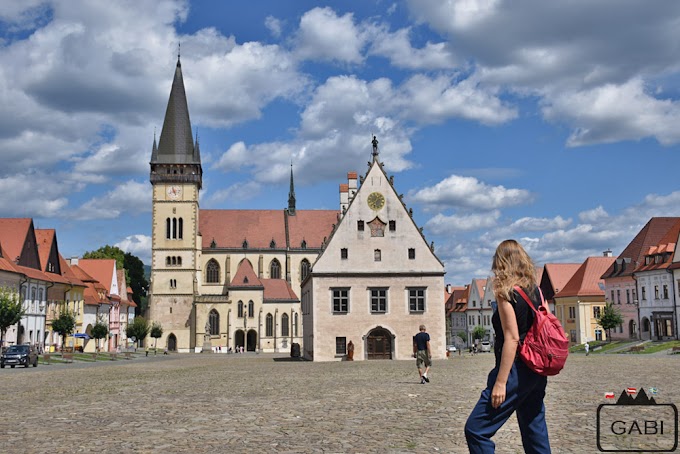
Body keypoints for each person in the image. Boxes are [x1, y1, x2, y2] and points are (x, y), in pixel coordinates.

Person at [465, 239, 551, 453]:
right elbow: (546, 324)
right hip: (537, 370)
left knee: (476, 430)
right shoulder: (537, 292)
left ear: (501, 263)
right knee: (534, 428)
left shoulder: (506, 293)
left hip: (515, 370)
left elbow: (512, 338)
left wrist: (500, 383)